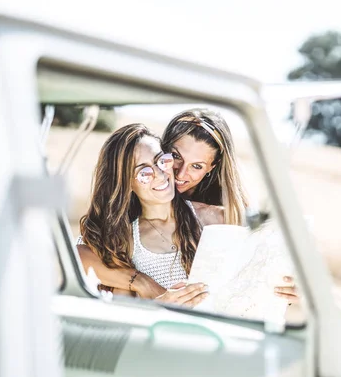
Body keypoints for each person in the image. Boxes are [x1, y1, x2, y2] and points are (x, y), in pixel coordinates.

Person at [161, 108, 299, 303]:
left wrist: (286, 289)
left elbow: (253, 274)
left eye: (197, 166)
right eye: (176, 156)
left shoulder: (228, 213)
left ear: (212, 166)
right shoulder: (139, 190)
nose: (181, 174)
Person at [77, 123, 208, 305]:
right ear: (127, 183)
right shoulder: (126, 241)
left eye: (161, 161)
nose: (160, 175)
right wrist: (146, 286)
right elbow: (73, 255)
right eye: (144, 172)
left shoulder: (210, 217)